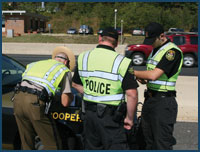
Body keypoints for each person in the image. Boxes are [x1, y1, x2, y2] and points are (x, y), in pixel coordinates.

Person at [72, 27, 139, 150]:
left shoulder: (83, 57)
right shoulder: (122, 62)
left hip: (89, 115)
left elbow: (75, 84)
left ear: (99, 39)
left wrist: (92, 93)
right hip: (112, 118)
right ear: (117, 43)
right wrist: (129, 119)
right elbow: (132, 94)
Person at [132, 22, 183, 150]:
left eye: (152, 40)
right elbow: (149, 79)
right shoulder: (156, 50)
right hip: (150, 100)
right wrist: (140, 77)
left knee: (162, 143)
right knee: (146, 141)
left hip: (163, 102)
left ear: (162, 36)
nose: (150, 43)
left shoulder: (172, 52)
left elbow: (154, 75)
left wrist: (131, 72)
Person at [13, 46, 75, 150]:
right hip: (35, 103)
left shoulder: (35, 64)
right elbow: (65, 102)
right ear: (66, 63)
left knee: (26, 143)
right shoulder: (63, 70)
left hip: (17, 99)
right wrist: (71, 96)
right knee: (53, 144)